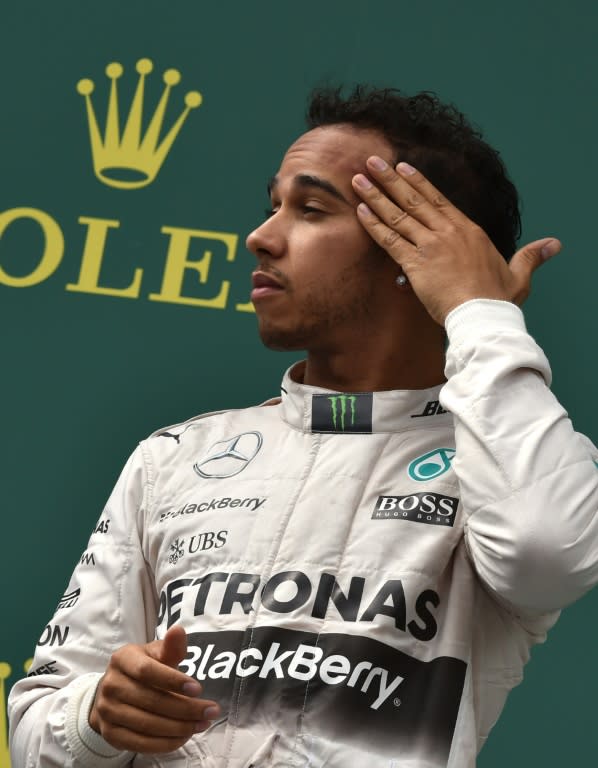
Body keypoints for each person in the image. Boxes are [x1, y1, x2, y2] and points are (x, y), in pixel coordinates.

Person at [8, 86, 598, 768]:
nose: (260, 236)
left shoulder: (505, 460)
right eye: (273, 206)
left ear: (417, 256)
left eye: (311, 209)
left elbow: (548, 556)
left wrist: (479, 313)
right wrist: (95, 716)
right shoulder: (174, 456)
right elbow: (33, 727)